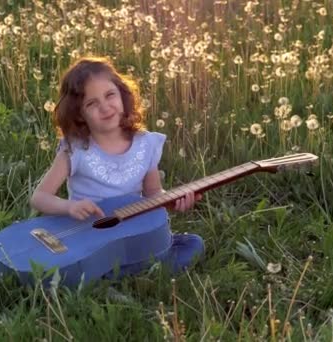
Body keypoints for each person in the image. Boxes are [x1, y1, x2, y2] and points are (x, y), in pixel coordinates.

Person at [30, 56, 204, 278]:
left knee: (193, 244)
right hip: (87, 236)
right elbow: (39, 197)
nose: (105, 107)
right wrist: (69, 207)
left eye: (110, 95)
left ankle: (116, 272)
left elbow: (153, 194)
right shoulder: (75, 151)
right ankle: (130, 270)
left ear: (123, 96)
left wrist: (174, 200)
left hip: (132, 234)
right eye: (91, 104)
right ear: (79, 114)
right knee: (86, 265)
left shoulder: (145, 144)